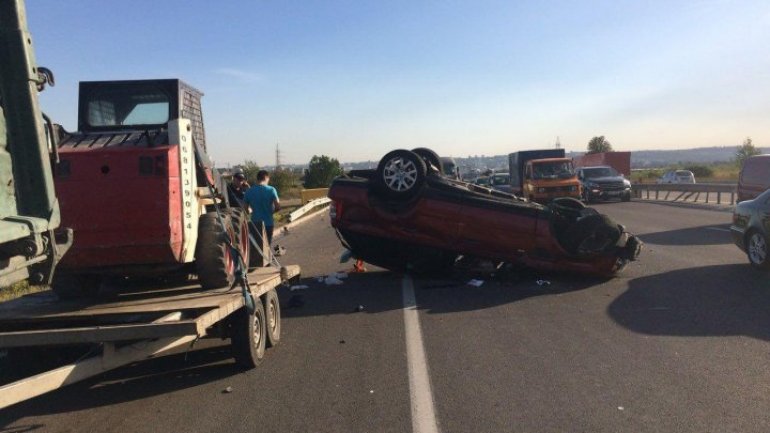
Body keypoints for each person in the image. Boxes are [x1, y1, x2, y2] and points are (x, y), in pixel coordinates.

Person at [243, 170, 280, 245]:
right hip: (268, 223)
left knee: (257, 248)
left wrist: (252, 211)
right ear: (266, 178)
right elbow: (278, 206)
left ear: (257, 179)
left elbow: (245, 209)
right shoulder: (271, 190)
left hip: (255, 224)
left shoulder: (249, 191)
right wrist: (271, 212)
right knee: (267, 246)